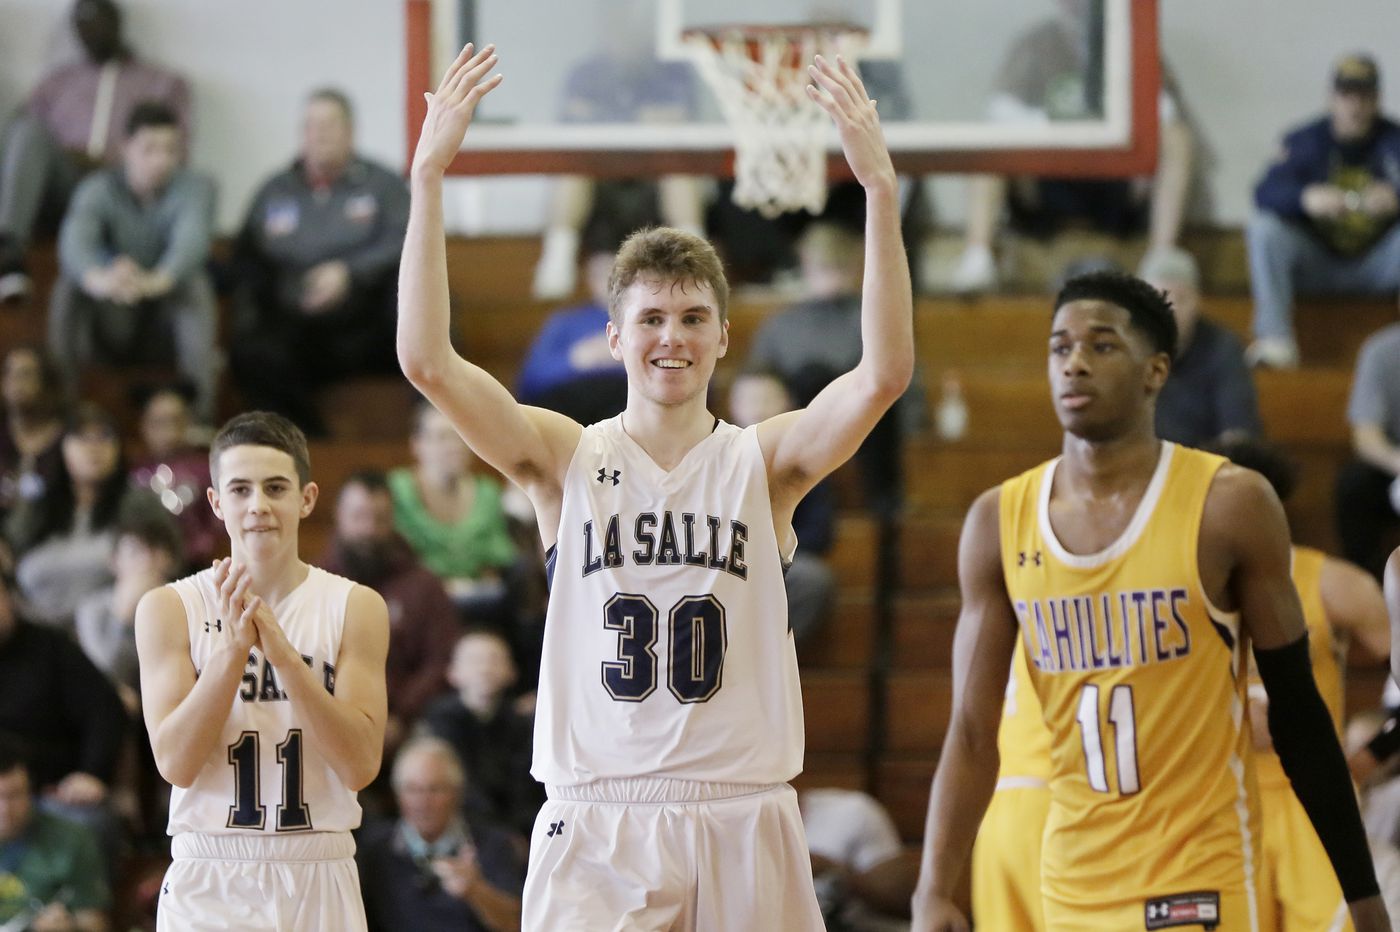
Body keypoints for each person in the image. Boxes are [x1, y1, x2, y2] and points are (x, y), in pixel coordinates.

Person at [400, 43, 912, 929]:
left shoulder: (764, 462)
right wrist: (427, 179)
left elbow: (884, 375)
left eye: (692, 318)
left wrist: (878, 190)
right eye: (651, 319)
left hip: (740, 808)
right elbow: (426, 363)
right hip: (599, 810)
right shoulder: (564, 458)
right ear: (614, 338)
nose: (671, 336)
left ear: (722, 338)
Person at [910, 271, 1389, 931]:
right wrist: (932, 890)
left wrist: (1363, 895)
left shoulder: (1229, 504)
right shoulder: (998, 521)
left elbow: (1300, 715)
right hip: (1072, 884)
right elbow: (970, 730)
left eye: (1102, 345)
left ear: (1156, 370)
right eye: (1060, 347)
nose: (1075, 362)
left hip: (1198, 876)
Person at [134, 411, 389, 931]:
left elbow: (360, 765)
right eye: (240, 489)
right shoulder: (168, 608)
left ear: (307, 498)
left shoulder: (355, 605)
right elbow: (176, 763)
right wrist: (233, 652)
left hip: (319, 866)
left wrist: (285, 657)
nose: (258, 506)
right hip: (210, 871)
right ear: (216, 503)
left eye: (275, 488)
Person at [1212, 438, 1392, 930]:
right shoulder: (1184, 586)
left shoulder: (1335, 584)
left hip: (1308, 800)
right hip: (1220, 801)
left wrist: (1376, 751)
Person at [951, 0, 1195, 294]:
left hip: (1117, 178)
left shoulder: (1132, 41)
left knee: (1176, 138)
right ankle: (978, 255)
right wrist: (1061, 130)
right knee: (987, 139)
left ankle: (1161, 255)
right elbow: (1001, 111)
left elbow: (1165, 111)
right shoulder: (1035, 44)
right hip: (1049, 176)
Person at [228, 89, 410, 437]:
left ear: (350, 131)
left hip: (368, 325)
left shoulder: (383, 185)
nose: (319, 133)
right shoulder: (275, 190)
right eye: (311, 125)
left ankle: (433, 423)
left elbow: (408, 241)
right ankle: (304, 440)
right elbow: (246, 257)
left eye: (329, 124)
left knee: (421, 302)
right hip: (296, 325)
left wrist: (350, 273)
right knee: (252, 347)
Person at [0, 0, 190, 305]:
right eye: (80, 24)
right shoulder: (56, 82)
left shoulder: (162, 83)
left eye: (97, 21)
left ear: (117, 22)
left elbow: (177, 154)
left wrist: (115, 164)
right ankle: (9, 251)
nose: (89, 32)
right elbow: (16, 149)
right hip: (63, 188)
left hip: (123, 196)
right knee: (25, 130)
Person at [48, 101, 219, 422]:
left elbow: (191, 242)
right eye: (149, 149)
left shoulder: (196, 187)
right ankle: (61, 412)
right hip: (110, 318)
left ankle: (200, 418)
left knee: (196, 283)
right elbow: (75, 243)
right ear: (125, 148)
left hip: (162, 320)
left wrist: (153, 280)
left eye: (170, 150)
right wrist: (103, 278)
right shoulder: (97, 188)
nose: (161, 160)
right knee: (68, 285)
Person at [745, 221, 923, 517]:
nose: (831, 276)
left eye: (837, 266)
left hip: (859, 422)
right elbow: (756, 379)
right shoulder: (782, 324)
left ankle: (885, 503)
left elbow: (899, 378)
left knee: (873, 389)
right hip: (794, 424)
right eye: (823, 267)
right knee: (808, 378)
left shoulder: (869, 319)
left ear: (853, 267)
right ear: (806, 265)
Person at [1247, 53, 1400, 369]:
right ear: (1331, 98)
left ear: (1377, 99)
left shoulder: (1395, 142)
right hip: (1318, 263)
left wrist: (1396, 196)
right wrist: (1306, 198)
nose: (1355, 106)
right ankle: (1275, 340)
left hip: (1379, 267)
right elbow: (1263, 192)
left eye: (1364, 96)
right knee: (1264, 229)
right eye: (1347, 95)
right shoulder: (1305, 141)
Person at [317, 469, 460, 749]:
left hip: (409, 726)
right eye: (359, 516)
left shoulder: (423, 585)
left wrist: (398, 717)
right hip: (329, 726)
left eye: (379, 518)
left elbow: (440, 660)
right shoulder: (315, 585)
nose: (369, 529)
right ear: (339, 515)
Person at [6, 402, 170, 632]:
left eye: (104, 437)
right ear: (62, 448)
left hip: (109, 633)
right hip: (31, 631)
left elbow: (168, 564)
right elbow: (8, 553)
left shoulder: (139, 505)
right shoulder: (38, 506)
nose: (94, 447)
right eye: (82, 438)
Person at [356, 736, 525, 932]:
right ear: (397, 795)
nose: (423, 801)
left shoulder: (493, 845)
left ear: (457, 792)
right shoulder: (375, 851)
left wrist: (477, 891)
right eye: (412, 789)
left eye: (434, 789)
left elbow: (517, 924)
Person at [728, 369, 837, 646]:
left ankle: (772, 653)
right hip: (723, 560)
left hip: (780, 563)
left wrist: (770, 552)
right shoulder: (717, 454)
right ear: (733, 406)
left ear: (787, 404)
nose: (758, 409)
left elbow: (819, 532)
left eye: (767, 399)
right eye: (750, 400)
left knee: (813, 579)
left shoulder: (806, 459)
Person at [388, 403, 518, 619]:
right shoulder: (397, 491)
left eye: (461, 436)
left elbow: (497, 562)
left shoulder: (488, 492)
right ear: (417, 444)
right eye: (442, 437)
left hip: (477, 607)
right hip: (418, 609)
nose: (454, 446)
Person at [419, 629, 542, 838]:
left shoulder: (522, 724)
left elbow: (525, 787)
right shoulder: (440, 721)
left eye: (494, 660)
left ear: (512, 671)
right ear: (452, 672)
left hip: (514, 827)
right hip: (460, 825)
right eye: (474, 661)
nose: (485, 668)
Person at [1138, 247, 1261, 448]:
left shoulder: (1223, 348)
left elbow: (1238, 434)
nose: (1171, 310)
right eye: (1160, 299)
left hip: (1205, 462)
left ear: (1198, 300)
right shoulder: (1126, 349)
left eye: (1181, 299)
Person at [0, 739, 111, 932]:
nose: (4, 809)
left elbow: (95, 922)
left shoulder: (72, 839)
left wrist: (69, 926)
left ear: (31, 791)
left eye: (14, 795)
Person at [517, 238, 628, 426]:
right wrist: (576, 358)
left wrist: (627, 359)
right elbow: (530, 380)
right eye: (601, 274)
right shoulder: (566, 322)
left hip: (628, 406)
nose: (610, 283)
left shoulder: (649, 321)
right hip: (572, 411)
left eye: (617, 274)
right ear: (589, 278)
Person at [1335, 303, 1400, 583]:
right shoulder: (1380, 351)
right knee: (1355, 483)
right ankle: (1366, 585)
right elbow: (1365, 436)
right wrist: (1397, 462)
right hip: (1393, 465)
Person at [128, 383, 222, 570]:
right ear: (144, 426)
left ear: (189, 422)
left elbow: (219, 524)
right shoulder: (135, 474)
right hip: (146, 566)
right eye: (159, 422)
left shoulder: (207, 469)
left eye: (176, 421)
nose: (168, 432)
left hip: (198, 566)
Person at [0, 345, 68, 531]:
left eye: (25, 374)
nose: (15, 382)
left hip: (53, 534)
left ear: (46, 382)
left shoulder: (67, 437)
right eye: (8, 373)